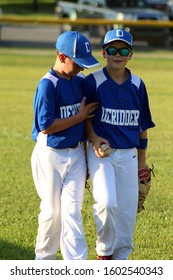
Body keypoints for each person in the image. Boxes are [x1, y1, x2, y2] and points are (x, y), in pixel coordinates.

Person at [84, 29, 155, 260]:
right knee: (106, 203)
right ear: (103, 52)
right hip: (101, 153)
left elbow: (142, 124)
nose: (118, 54)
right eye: (112, 50)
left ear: (131, 54)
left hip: (128, 155)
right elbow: (84, 118)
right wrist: (93, 140)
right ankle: (104, 253)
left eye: (123, 50)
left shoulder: (137, 83)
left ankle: (121, 260)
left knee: (126, 214)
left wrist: (142, 166)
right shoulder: (93, 81)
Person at [31, 31, 99, 260]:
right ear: (61, 57)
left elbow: (89, 118)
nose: (82, 68)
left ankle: (77, 265)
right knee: (51, 213)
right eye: (78, 63)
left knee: (72, 212)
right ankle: (44, 263)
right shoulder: (47, 85)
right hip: (50, 154)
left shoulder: (80, 82)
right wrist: (79, 117)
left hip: (77, 153)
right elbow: (46, 126)